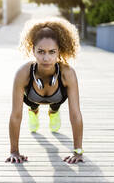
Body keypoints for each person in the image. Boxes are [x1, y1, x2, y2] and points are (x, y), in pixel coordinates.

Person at [5, 16, 84, 164]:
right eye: (41, 51)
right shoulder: (23, 73)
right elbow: (15, 115)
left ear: (59, 52)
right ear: (33, 50)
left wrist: (78, 151)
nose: (46, 58)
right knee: (32, 105)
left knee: (55, 105)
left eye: (51, 52)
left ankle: (54, 112)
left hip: (57, 98)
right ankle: (33, 111)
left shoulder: (68, 73)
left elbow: (75, 114)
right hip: (31, 98)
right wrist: (14, 151)